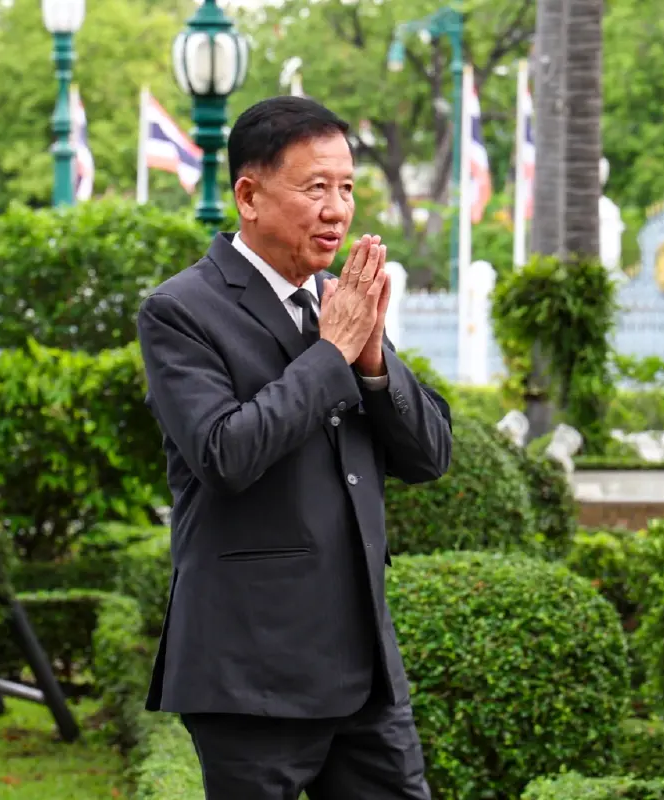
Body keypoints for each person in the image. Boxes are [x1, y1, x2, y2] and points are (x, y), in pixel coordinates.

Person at [135, 95, 453, 799]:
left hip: (364, 668)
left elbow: (430, 456)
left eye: (347, 188)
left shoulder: (339, 301)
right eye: (315, 188)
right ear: (249, 196)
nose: (337, 210)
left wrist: (371, 360)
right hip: (250, 673)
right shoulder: (180, 311)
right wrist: (332, 353)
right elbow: (225, 454)